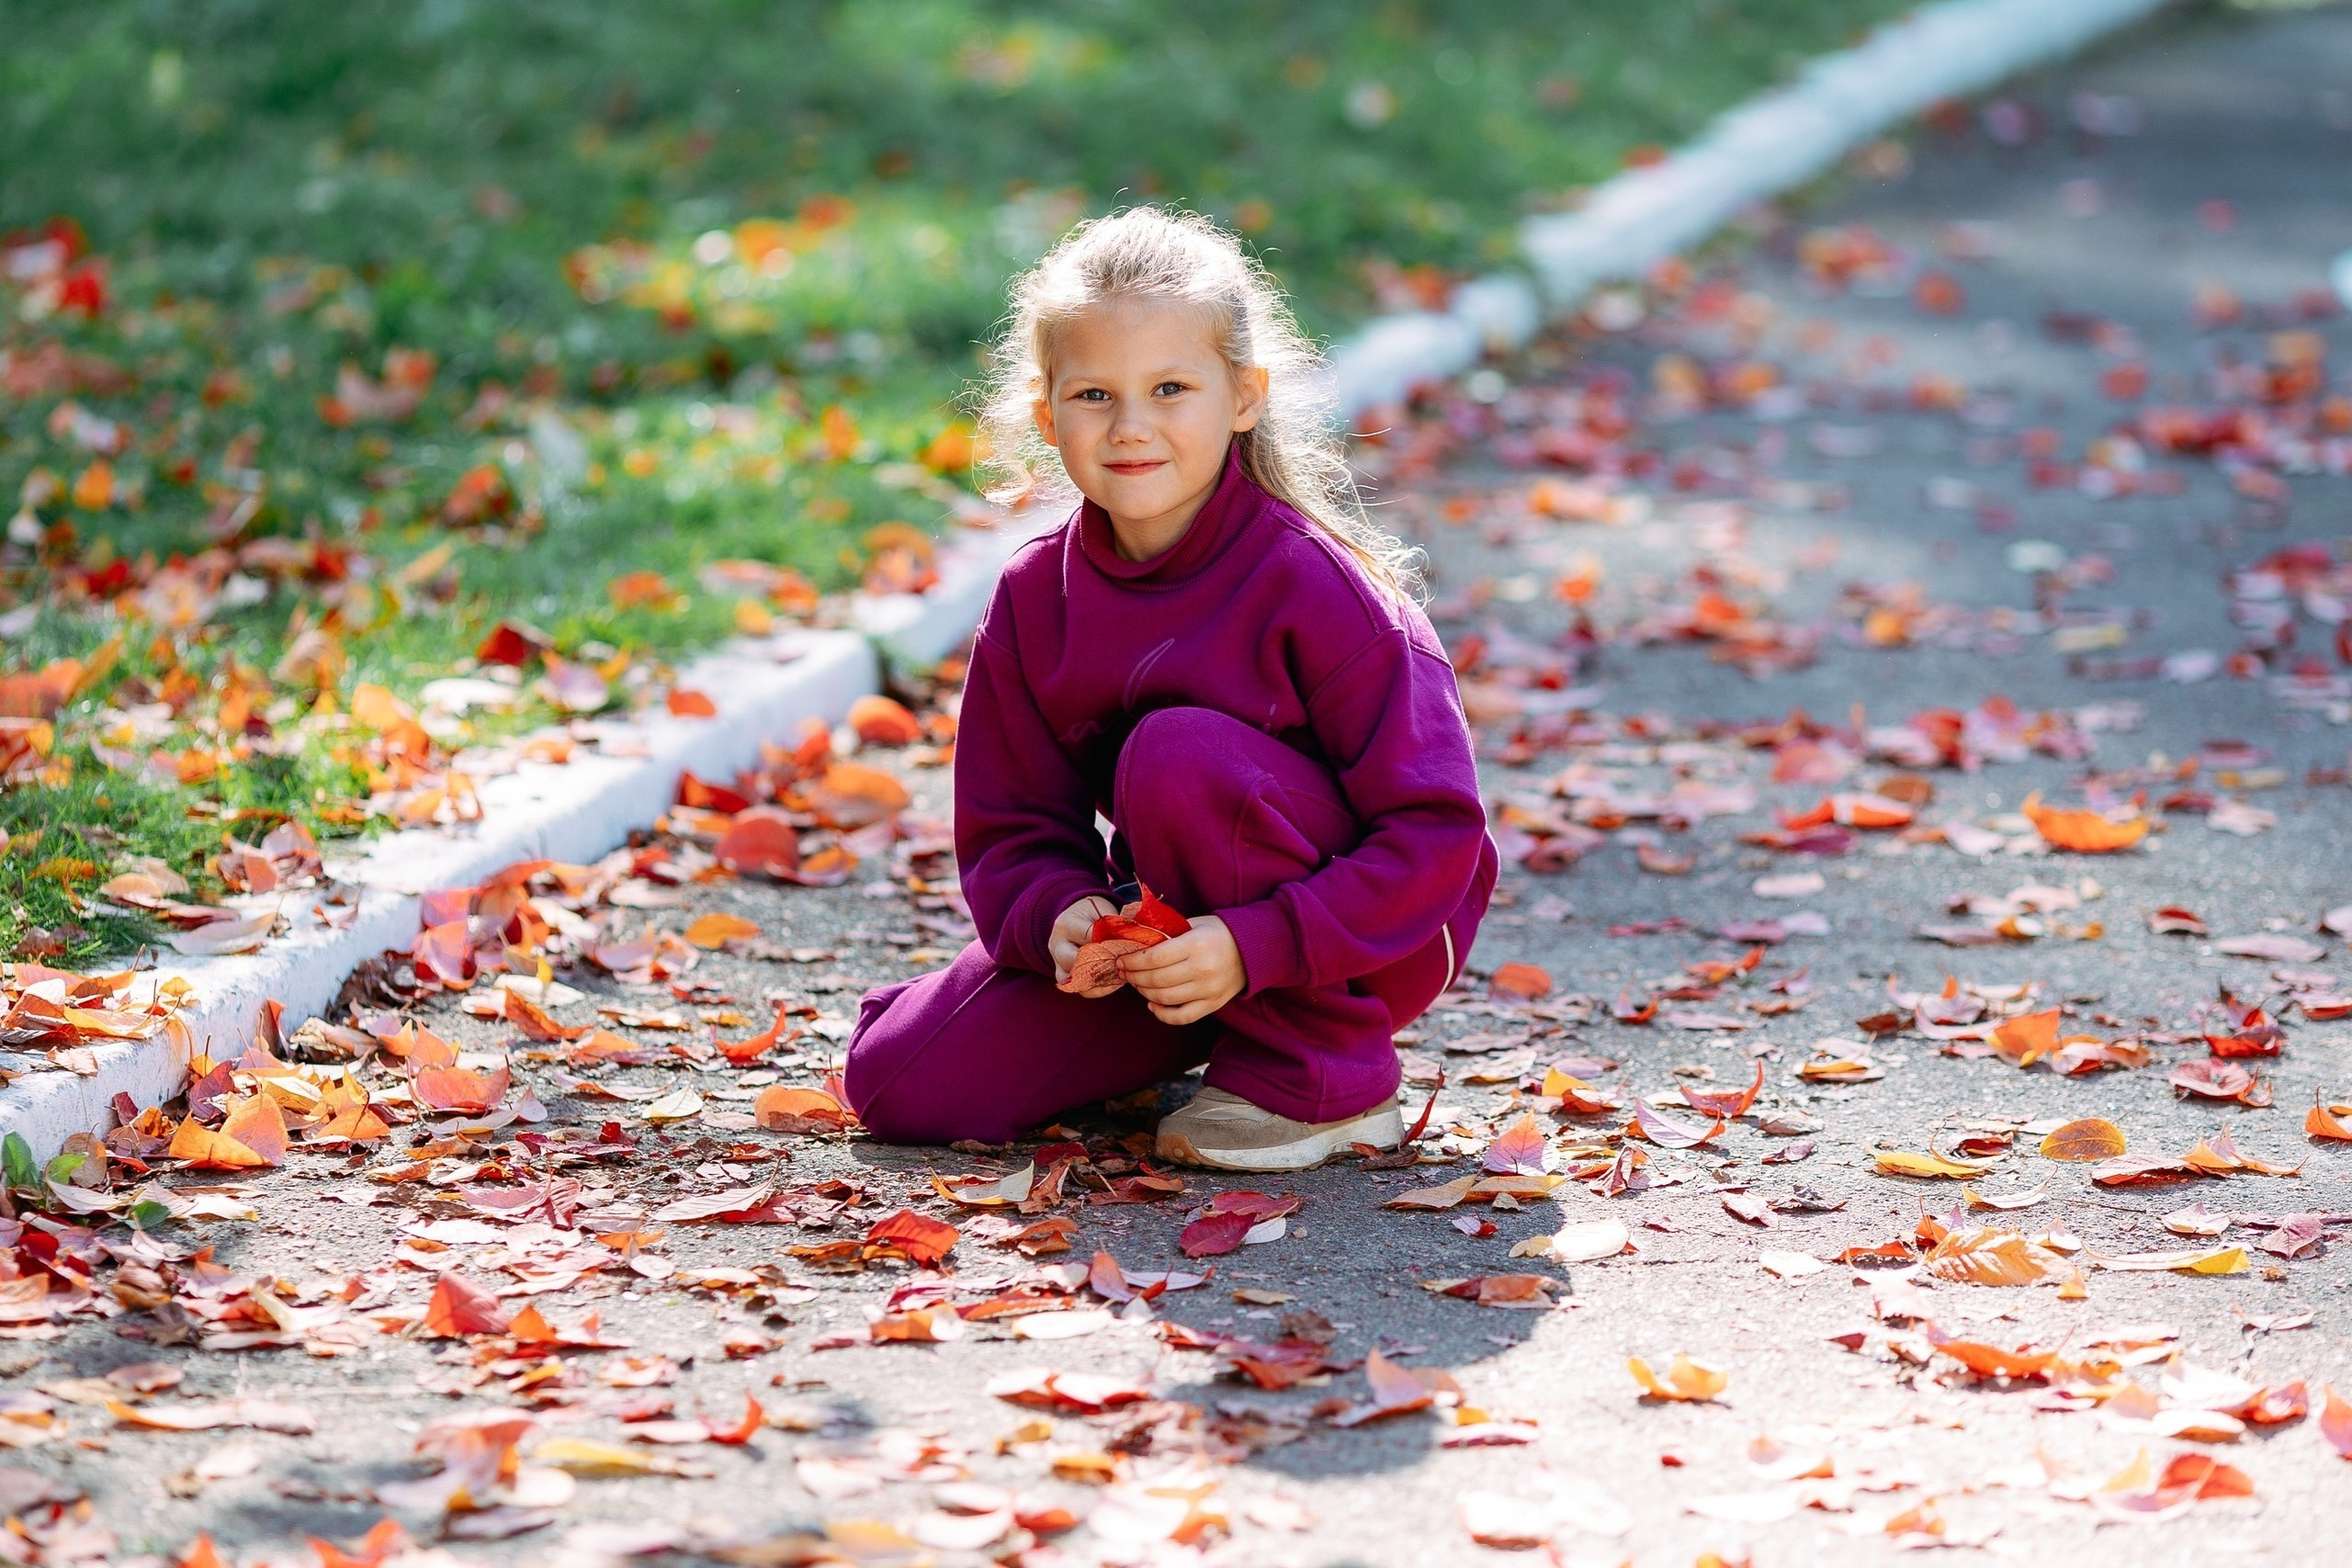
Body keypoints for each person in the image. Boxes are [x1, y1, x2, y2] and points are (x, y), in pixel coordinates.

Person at [841, 206, 1497, 1171]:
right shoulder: (1035, 597)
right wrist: (1057, 912)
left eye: (1170, 388)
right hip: (1178, 918)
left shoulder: (1317, 587)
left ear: (1242, 397)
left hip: (1366, 939)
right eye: (1094, 394)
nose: (1130, 426)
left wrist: (1258, 943)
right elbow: (1014, 824)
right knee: (903, 1082)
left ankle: (1318, 1082)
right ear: (1046, 414)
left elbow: (1437, 838)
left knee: (1175, 752)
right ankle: (1206, 1028)